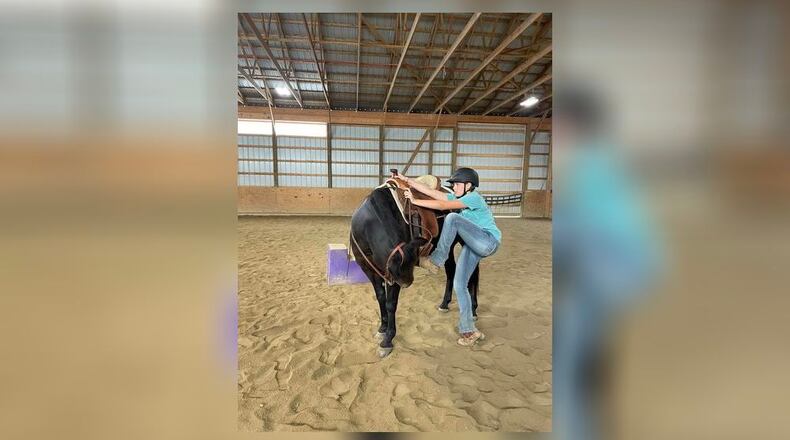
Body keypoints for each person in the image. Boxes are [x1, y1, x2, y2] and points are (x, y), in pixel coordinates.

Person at [393, 168, 501, 346]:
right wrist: (408, 180)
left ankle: (436, 260)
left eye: (457, 184)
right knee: (459, 285)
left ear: (469, 185)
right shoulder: (461, 198)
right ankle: (469, 330)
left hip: (488, 241)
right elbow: (434, 194)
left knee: (451, 218)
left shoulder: (474, 198)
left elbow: (442, 206)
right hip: (474, 245)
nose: (454, 187)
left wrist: (414, 200)